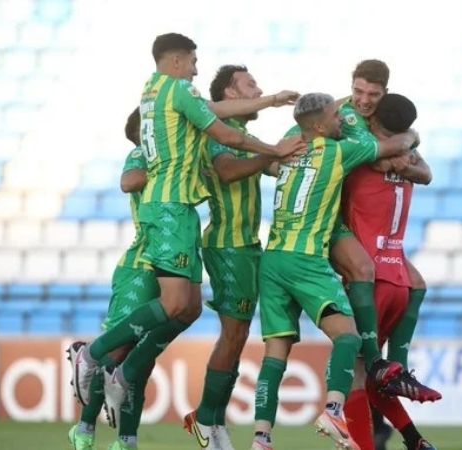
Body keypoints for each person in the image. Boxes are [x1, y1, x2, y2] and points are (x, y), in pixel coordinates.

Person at [68, 32, 305, 450]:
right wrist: (274, 148)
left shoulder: (155, 91)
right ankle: (93, 361)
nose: (196, 70)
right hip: (170, 212)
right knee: (177, 308)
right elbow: (225, 137)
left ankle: (126, 408)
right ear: (177, 61)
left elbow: (215, 111)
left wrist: (270, 104)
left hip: (180, 214)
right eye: (193, 61)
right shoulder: (179, 93)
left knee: (188, 308)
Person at [251, 93, 419, 450]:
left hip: (273, 259)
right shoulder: (336, 152)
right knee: (348, 337)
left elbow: (268, 164)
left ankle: (261, 437)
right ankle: (332, 410)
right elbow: (391, 146)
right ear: (318, 126)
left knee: (275, 353)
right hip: (306, 259)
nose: (341, 118)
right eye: (334, 115)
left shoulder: (290, 147)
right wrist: (411, 135)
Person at [182, 65, 278, 450]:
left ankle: (214, 418)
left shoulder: (245, 136)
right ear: (230, 94)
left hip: (247, 246)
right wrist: (271, 155)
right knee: (233, 333)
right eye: (250, 84)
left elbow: (277, 165)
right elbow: (227, 172)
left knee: (238, 336)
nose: (259, 89)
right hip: (227, 244)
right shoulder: (216, 133)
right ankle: (206, 418)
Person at [340, 93, 437, 450]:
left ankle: (371, 443)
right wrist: (410, 141)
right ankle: (415, 440)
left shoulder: (363, 154)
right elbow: (424, 172)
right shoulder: (410, 158)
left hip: (368, 278)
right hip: (400, 280)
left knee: (354, 376)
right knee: (375, 377)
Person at [68, 107, 159, 450]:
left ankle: (126, 441)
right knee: (119, 351)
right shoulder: (142, 154)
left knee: (142, 361)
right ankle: (84, 429)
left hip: (168, 268)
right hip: (141, 266)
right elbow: (128, 182)